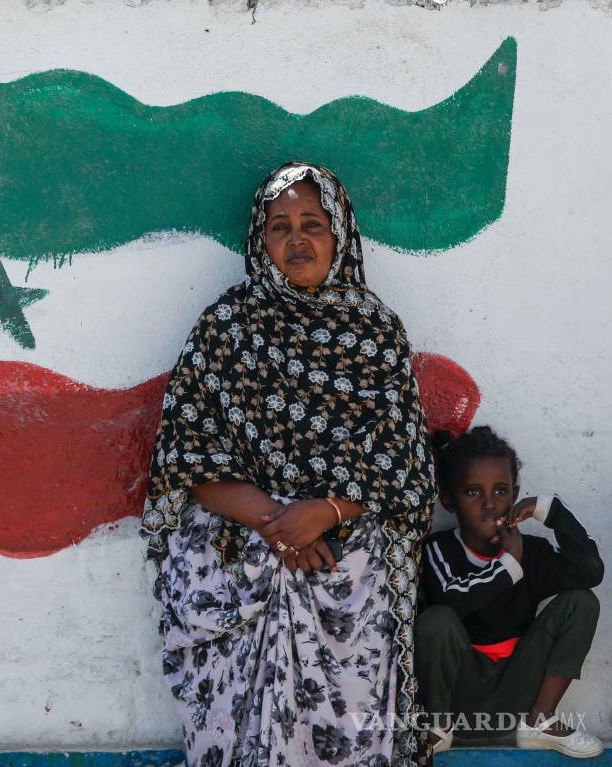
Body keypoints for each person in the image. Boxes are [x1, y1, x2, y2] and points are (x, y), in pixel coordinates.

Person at [141, 161, 437, 767]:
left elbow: (403, 462)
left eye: (313, 223)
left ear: (341, 235)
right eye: (281, 226)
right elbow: (191, 454)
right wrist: (282, 527)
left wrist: (325, 513)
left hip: (341, 548)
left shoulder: (375, 331)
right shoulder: (228, 326)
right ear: (260, 238)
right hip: (244, 541)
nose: (297, 239)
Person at [417, 426, 603, 758]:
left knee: (581, 602)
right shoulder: (439, 550)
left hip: (517, 692)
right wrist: (508, 565)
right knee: (436, 620)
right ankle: (437, 729)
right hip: (459, 696)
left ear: (514, 495)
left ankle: (540, 721)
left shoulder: (532, 552)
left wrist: (551, 511)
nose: (490, 504)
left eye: (501, 491)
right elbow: (452, 600)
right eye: (473, 492)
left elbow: (590, 572)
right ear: (448, 498)